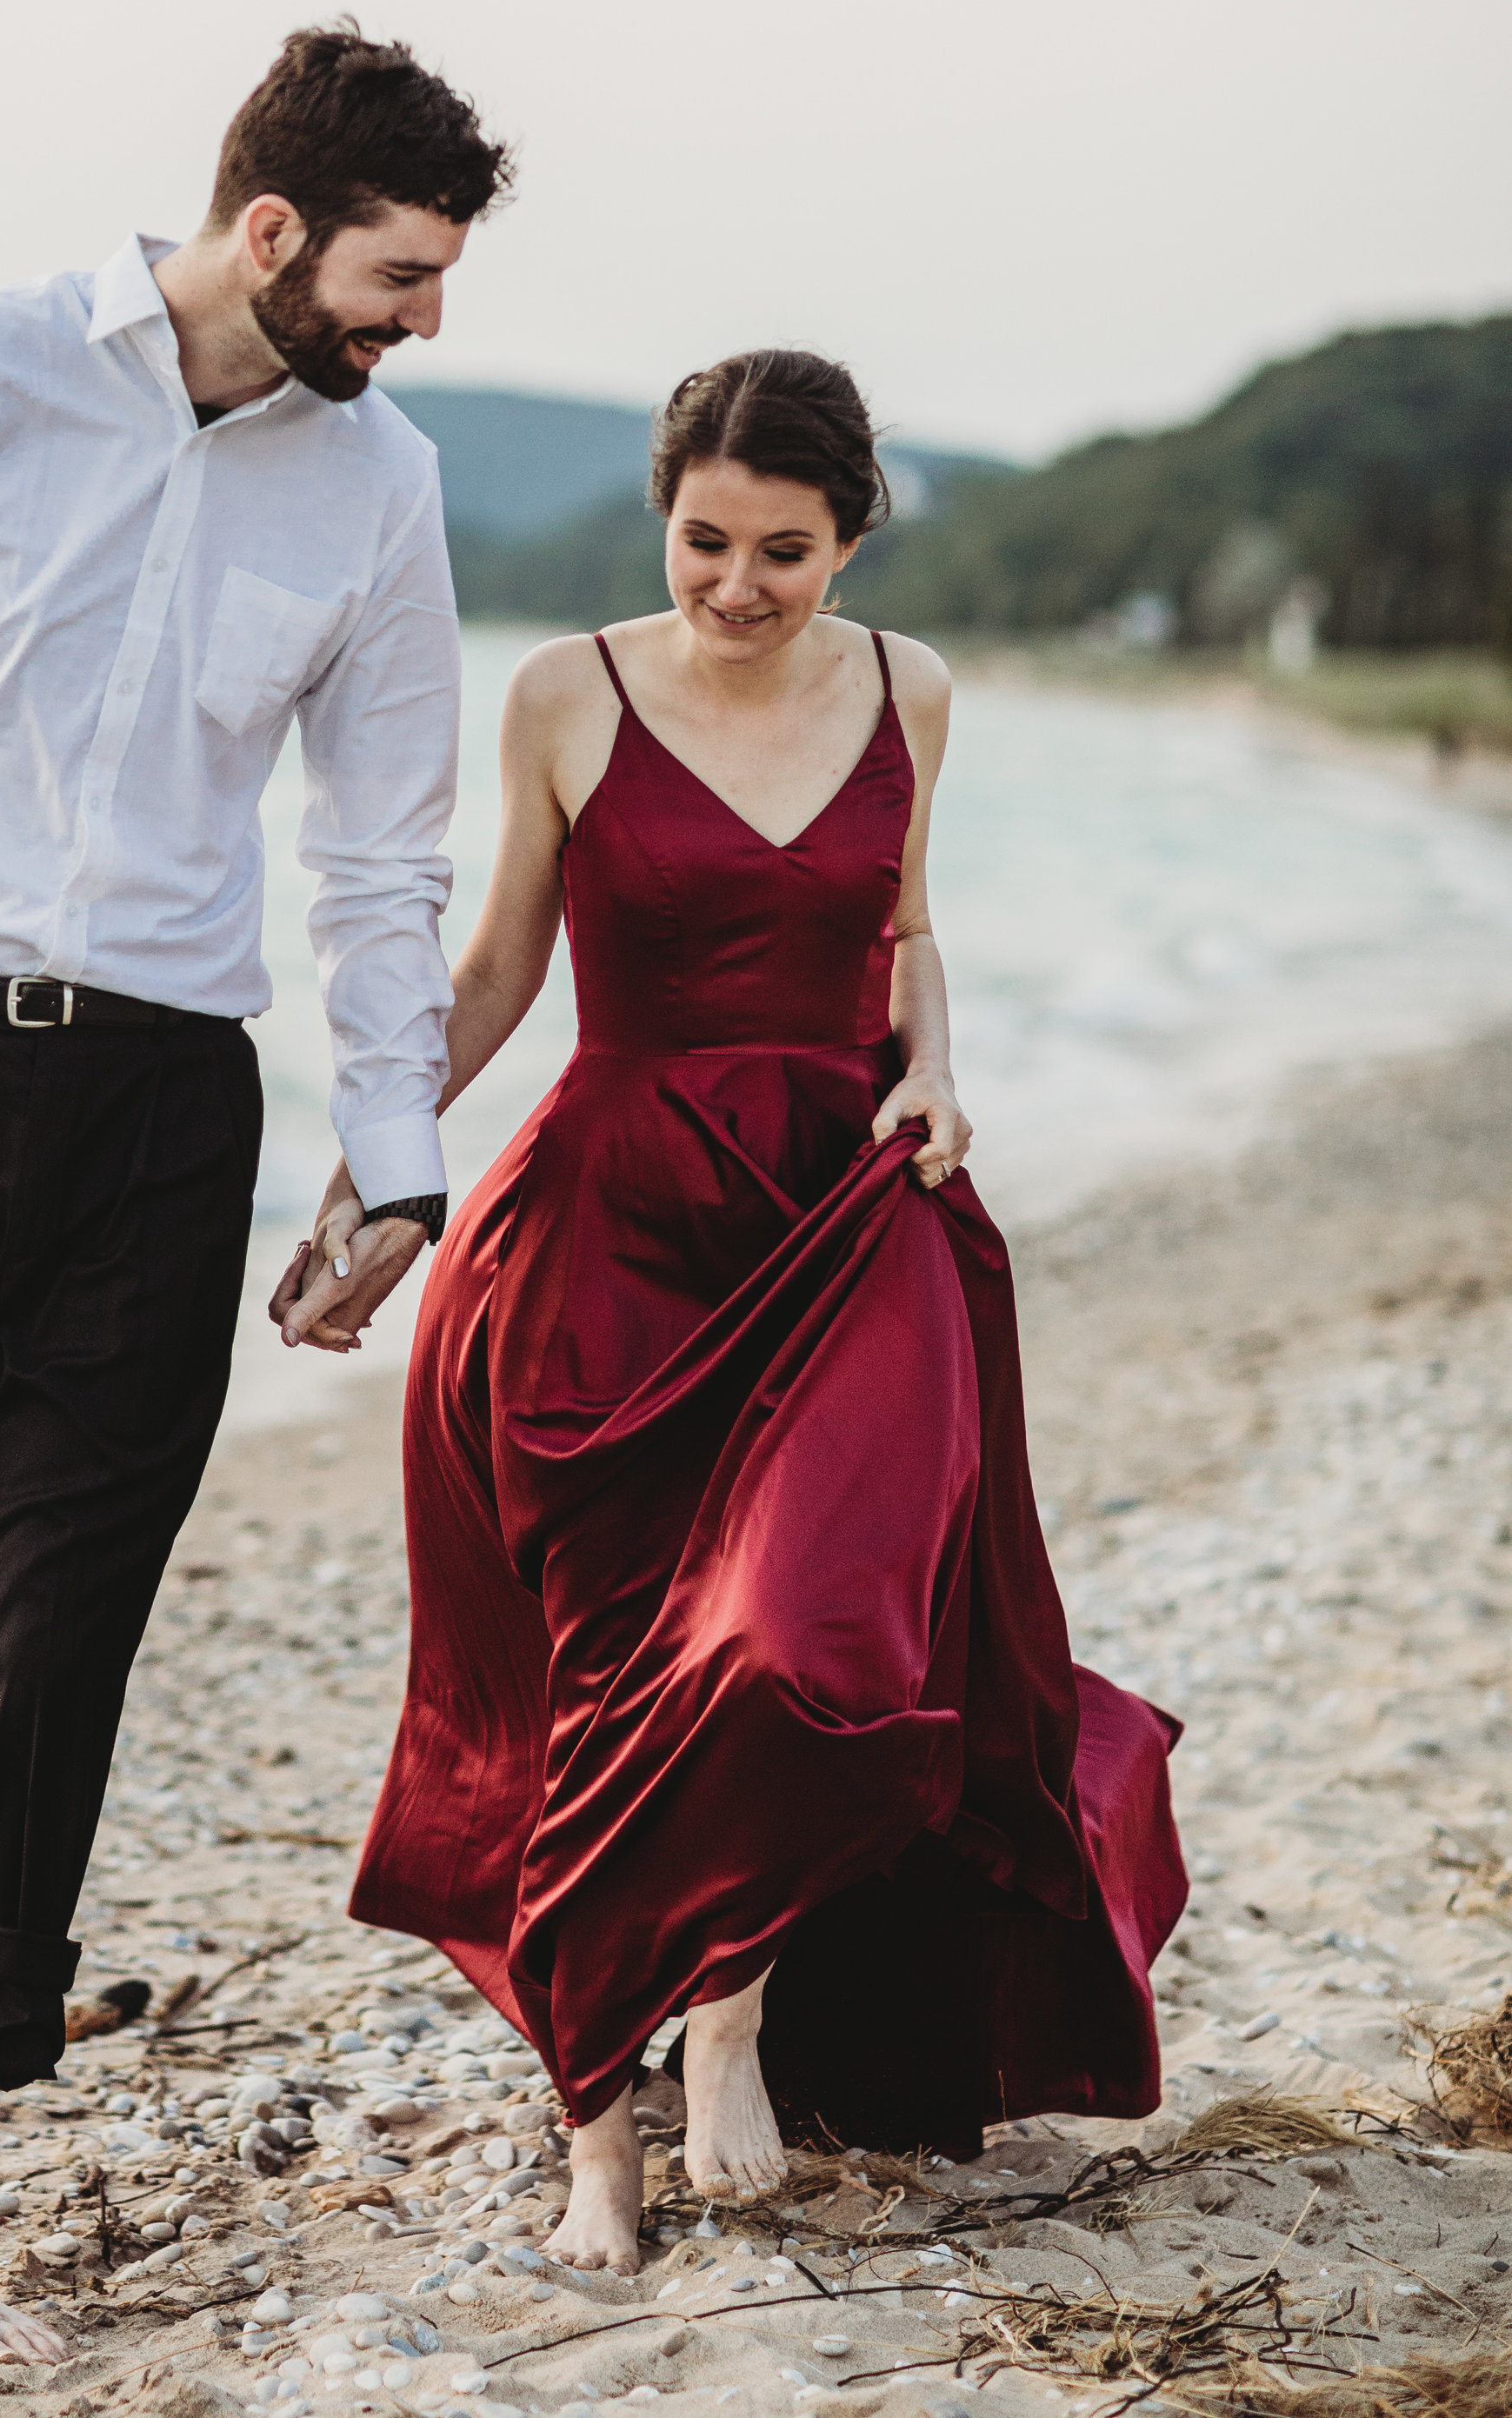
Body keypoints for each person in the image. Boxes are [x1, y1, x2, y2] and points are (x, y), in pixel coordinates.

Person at [0, 22, 511, 2357]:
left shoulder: (384, 488)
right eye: (402, 271)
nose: (425, 318)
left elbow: (377, 848)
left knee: (40, 1651)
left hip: (155, 1118)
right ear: (270, 233)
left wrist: (398, 1149)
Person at [305, 347, 1185, 2275]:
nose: (732, 587)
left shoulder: (908, 690)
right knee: (599, 1678)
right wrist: (376, 1165)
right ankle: (593, 2145)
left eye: (780, 552)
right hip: (602, 1233)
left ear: (848, 537)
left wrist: (933, 1067)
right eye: (702, 542)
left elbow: (905, 928)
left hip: (842, 1210)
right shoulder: (563, 692)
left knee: (800, 1640)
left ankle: (728, 2009)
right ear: (662, 521)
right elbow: (497, 965)